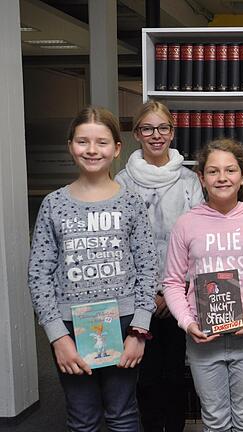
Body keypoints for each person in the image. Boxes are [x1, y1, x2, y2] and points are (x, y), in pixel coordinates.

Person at [27, 106, 158, 431]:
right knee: (82, 418)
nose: (91, 149)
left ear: (116, 149)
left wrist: (139, 331)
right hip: (70, 325)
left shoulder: (131, 203)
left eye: (101, 142)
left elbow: (148, 267)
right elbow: (39, 274)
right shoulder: (53, 204)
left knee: (123, 414)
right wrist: (58, 338)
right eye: (83, 141)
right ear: (71, 145)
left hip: (124, 323)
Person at [162, 139, 243, 431]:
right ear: (201, 177)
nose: (222, 178)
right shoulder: (186, 224)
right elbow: (172, 282)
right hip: (203, 340)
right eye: (213, 171)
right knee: (215, 419)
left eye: (230, 170)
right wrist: (186, 322)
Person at [116, 99, 204, 432]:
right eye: (148, 128)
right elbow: (121, 244)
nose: (156, 135)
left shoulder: (188, 181)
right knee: (146, 375)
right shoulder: (123, 181)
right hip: (139, 296)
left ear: (172, 131)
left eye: (163, 128)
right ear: (137, 133)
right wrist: (149, 294)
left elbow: (195, 240)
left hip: (180, 293)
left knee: (176, 373)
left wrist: (173, 291)